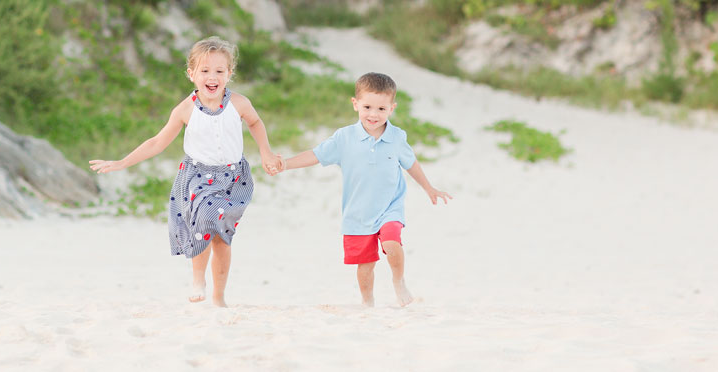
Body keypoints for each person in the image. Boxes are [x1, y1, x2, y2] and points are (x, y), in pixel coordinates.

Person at [90, 36, 283, 307]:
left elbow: (255, 122)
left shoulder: (239, 103)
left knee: (222, 240)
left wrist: (265, 151)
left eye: (219, 71)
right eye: (205, 71)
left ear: (229, 73)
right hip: (197, 177)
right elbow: (157, 142)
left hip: (233, 178)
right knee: (203, 220)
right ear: (192, 74)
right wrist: (122, 162)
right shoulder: (186, 109)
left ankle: (218, 297)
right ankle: (197, 279)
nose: (212, 77)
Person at [276, 71, 451, 307]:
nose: (373, 114)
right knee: (365, 265)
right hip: (358, 213)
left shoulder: (397, 137)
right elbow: (316, 155)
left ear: (392, 108)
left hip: (390, 207)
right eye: (367, 107)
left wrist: (429, 188)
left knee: (391, 243)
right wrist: (285, 164)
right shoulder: (344, 138)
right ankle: (367, 302)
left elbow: (411, 164)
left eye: (381, 109)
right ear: (355, 104)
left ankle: (399, 282)